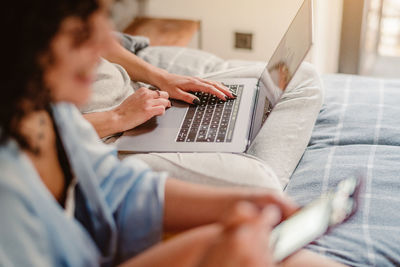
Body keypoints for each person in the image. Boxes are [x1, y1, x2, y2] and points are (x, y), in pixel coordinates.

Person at [0, 0, 348, 266]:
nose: (106, 43)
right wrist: (207, 255)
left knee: (300, 78)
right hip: (122, 127)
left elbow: (113, 191)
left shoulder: (49, 113)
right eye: (80, 32)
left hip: (142, 100)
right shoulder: (9, 194)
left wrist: (238, 203)